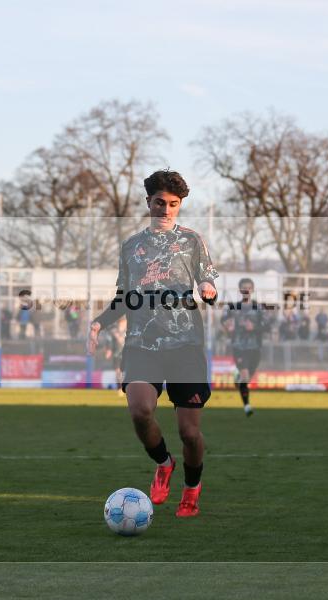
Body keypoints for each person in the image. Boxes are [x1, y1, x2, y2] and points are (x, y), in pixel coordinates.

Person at [87, 169, 218, 518]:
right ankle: (163, 462)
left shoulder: (192, 241)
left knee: (190, 433)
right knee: (140, 410)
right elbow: (123, 298)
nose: (166, 209)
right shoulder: (131, 247)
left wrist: (208, 290)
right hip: (141, 344)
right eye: (160, 202)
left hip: (185, 345)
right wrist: (99, 322)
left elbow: (208, 279)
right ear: (148, 202)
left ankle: (192, 488)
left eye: (174, 204)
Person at [221, 278, 272, 416]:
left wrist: (254, 327)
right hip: (239, 347)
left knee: (247, 378)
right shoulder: (232, 307)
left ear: (253, 289)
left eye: (249, 287)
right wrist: (228, 326)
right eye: (244, 287)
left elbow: (268, 326)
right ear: (240, 290)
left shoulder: (259, 308)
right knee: (245, 375)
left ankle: (238, 378)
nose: (246, 290)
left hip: (255, 348)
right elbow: (224, 320)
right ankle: (247, 406)